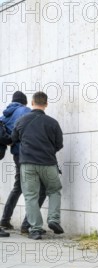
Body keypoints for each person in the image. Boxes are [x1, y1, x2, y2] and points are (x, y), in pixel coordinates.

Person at [11, 91, 64, 240]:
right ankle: (53, 219)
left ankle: (35, 229)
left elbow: (14, 138)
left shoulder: (21, 121)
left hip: (27, 164)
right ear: (46, 104)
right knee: (54, 190)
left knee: (30, 196)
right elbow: (59, 144)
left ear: (32, 103)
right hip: (48, 163)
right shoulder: (53, 122)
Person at [0, 91, 48, 235]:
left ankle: (5, 219)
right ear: (26, 102)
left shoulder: (5, 115)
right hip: (28, 154)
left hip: (16, 154)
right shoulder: (26, 111)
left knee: (19, 186)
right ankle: (27, 225)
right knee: (39, 189)